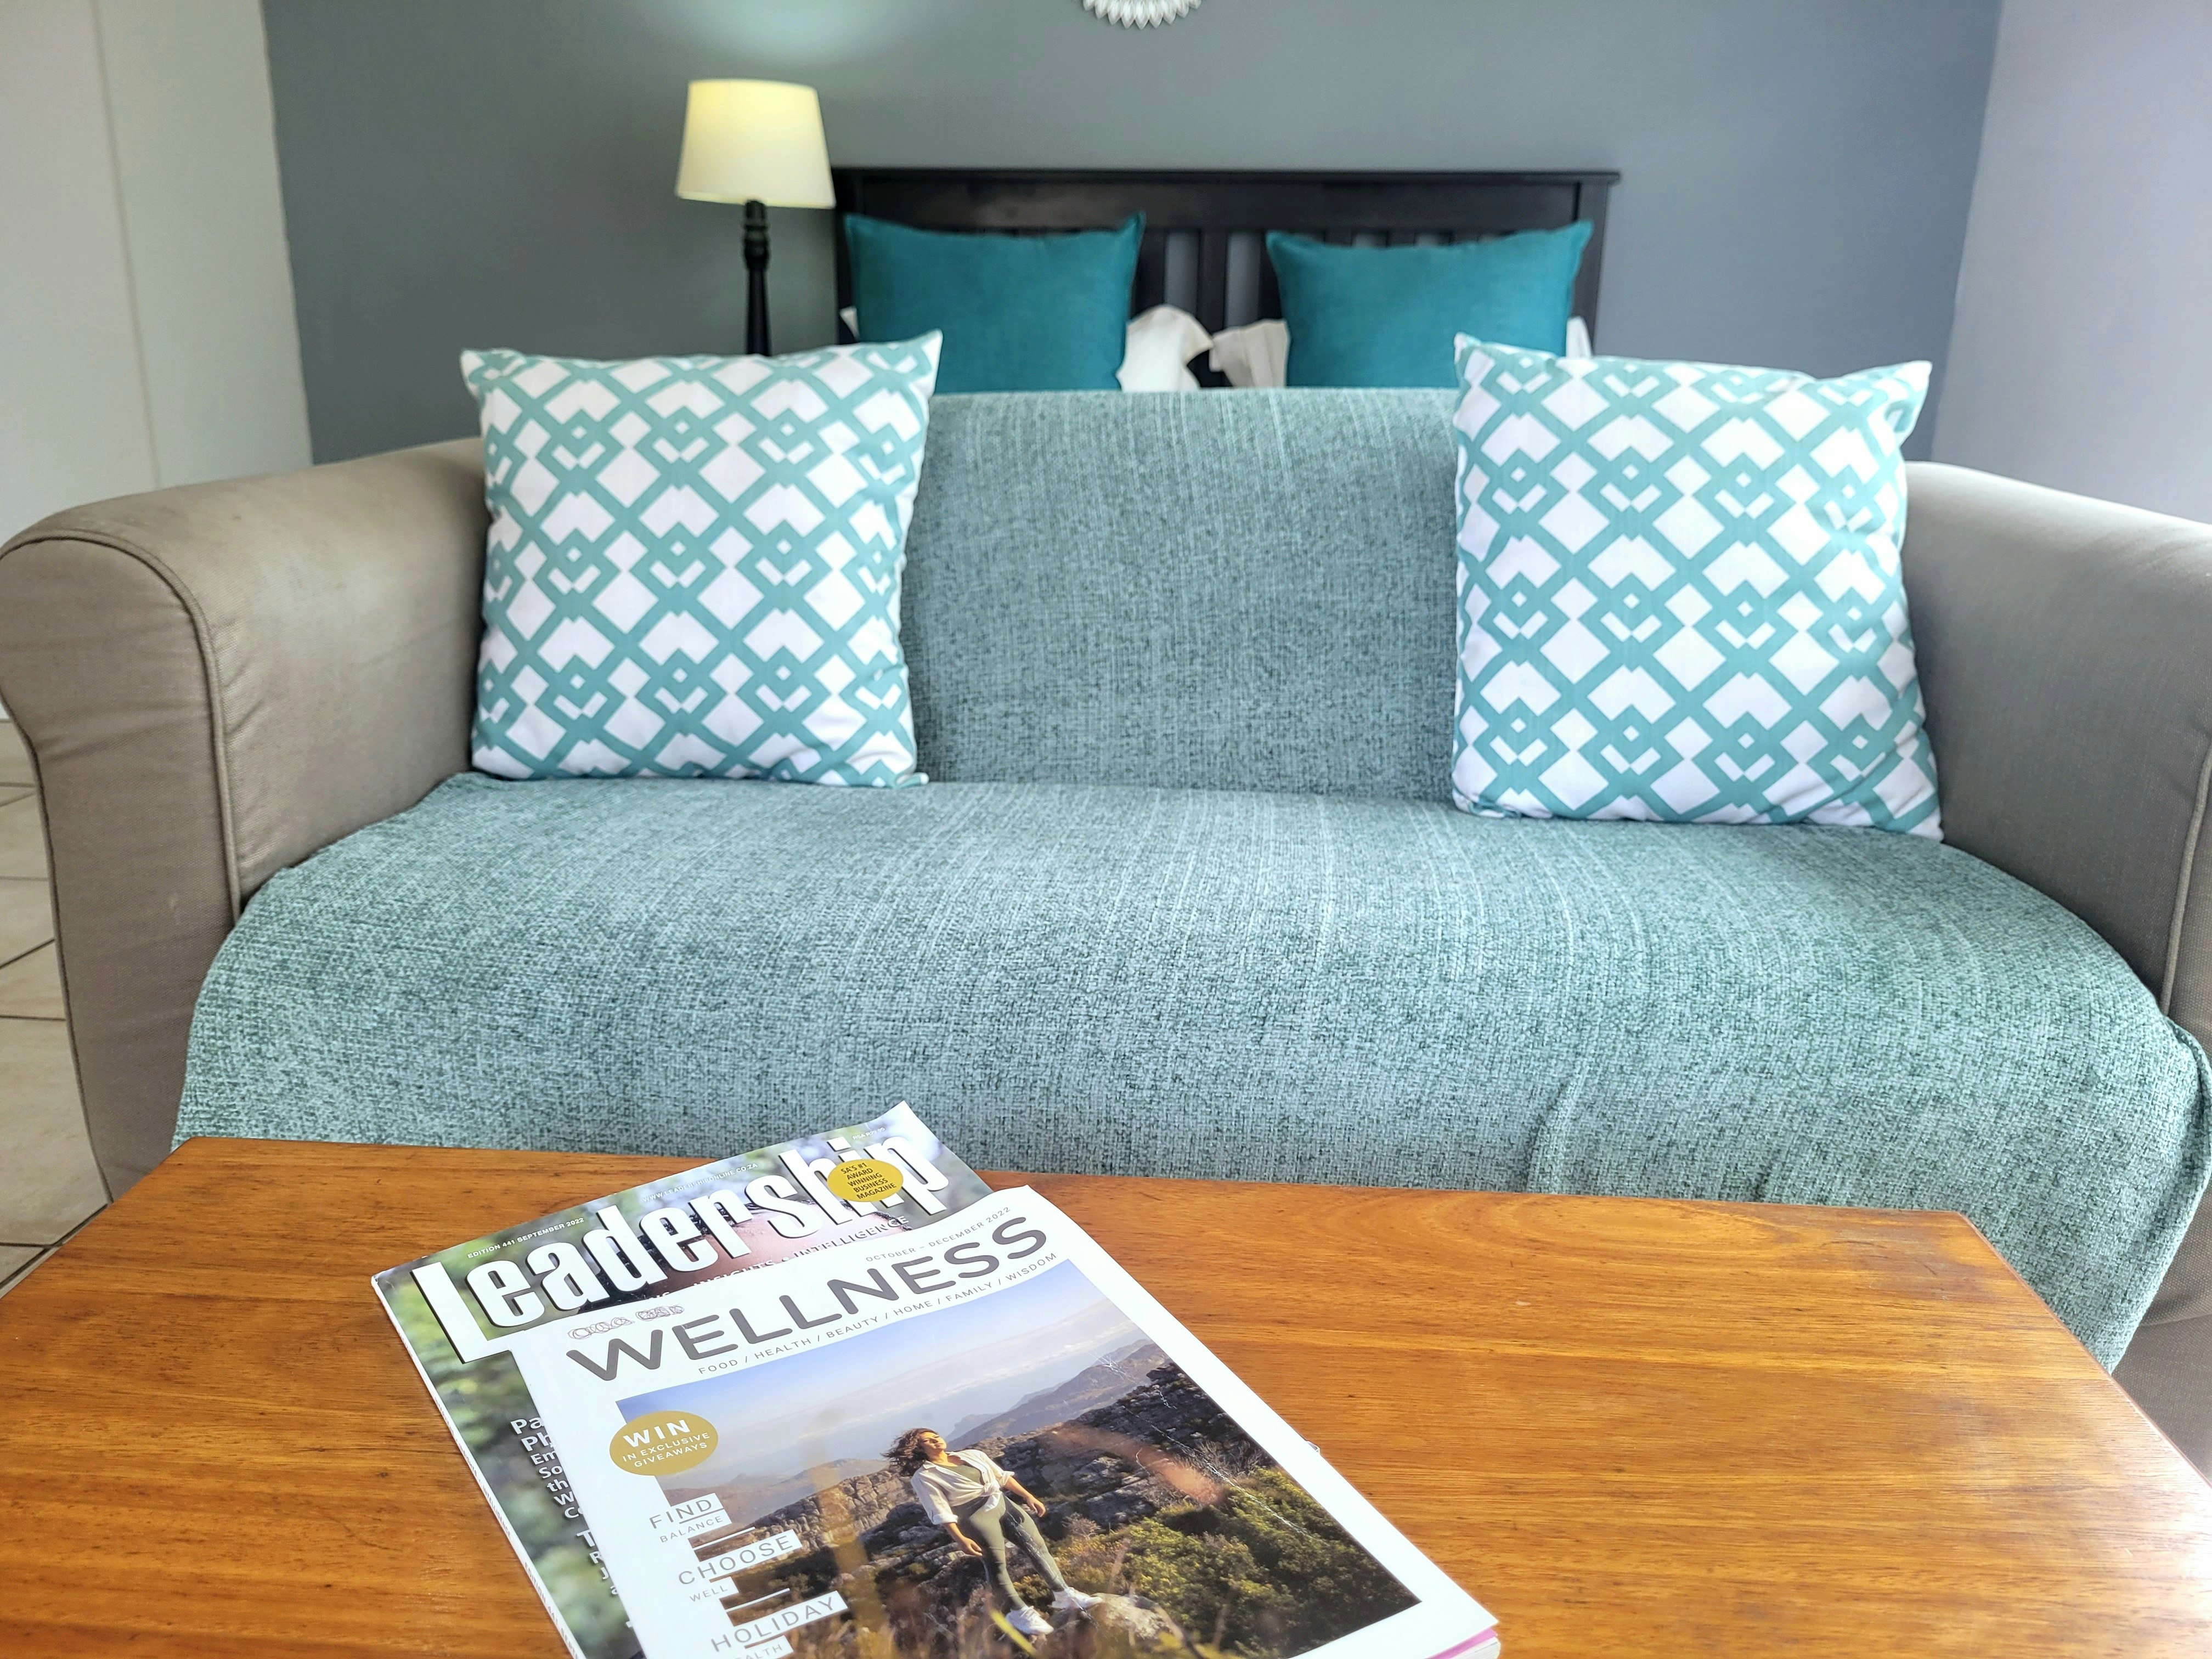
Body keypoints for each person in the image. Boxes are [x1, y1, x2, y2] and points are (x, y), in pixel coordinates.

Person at [887, 1427, 1098, 1638]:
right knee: (996, 1564)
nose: (936, 1441)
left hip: (1004, 1505)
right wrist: (960, 1538)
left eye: (936, 1436)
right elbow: (940, 1509)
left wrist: (1028, 1496)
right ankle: (1017, 1612)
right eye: (928, 1441)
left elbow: (1002, 1477)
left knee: (1037, 1547)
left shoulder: (972, 1455)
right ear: (919, 1449)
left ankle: (1064, 1594)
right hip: (974, 1517)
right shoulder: (924, 1476)